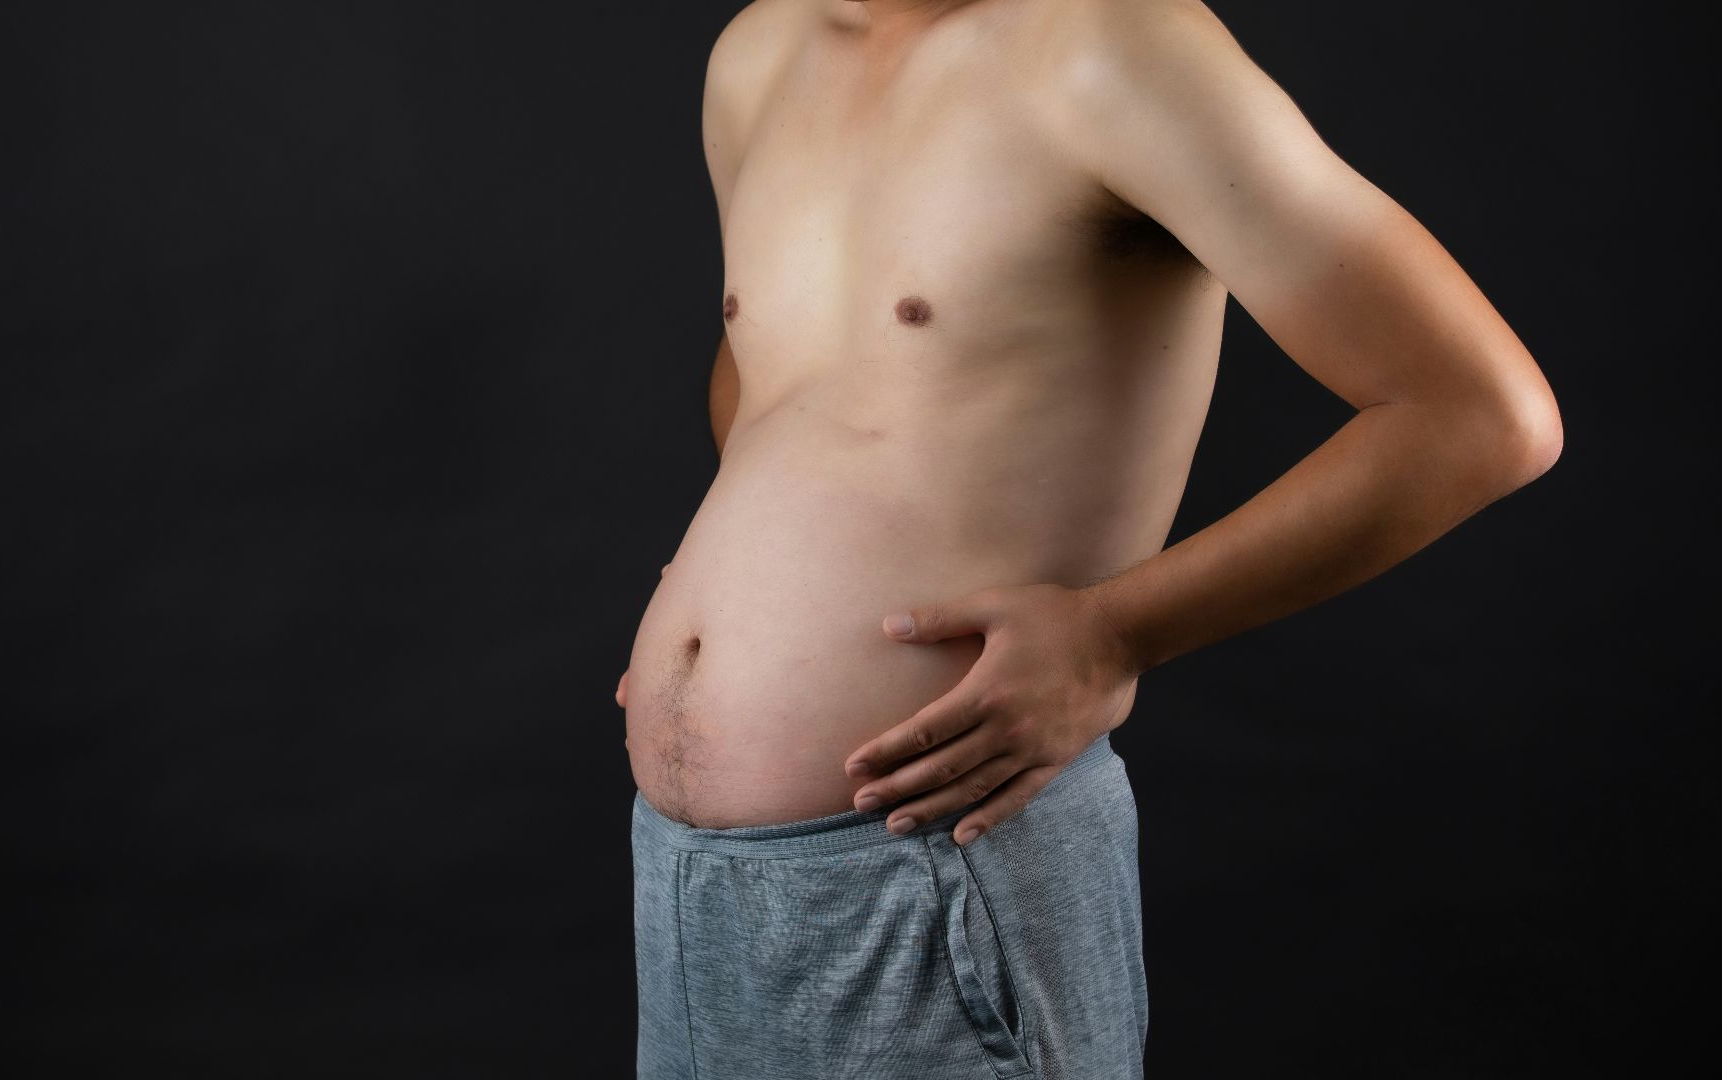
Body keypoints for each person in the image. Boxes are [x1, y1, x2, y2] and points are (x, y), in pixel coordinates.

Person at [614, 1, 1562, 1076]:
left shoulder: (1115, 44)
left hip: (938, 863)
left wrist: (1114, 634)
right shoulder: (761, 51)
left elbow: (1484, 414)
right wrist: (721, 616)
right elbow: (782, 381)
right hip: (684, 886)